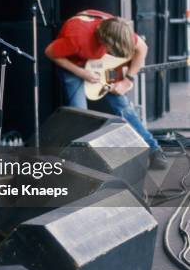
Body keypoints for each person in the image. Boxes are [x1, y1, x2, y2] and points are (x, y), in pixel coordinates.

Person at [45, 9, 167, 169]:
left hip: (98, 65)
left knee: (123, 107)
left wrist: (127, 80)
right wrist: (81, 73)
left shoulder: (119, 30)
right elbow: (50, 52)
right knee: (81, 114)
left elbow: (142, 48)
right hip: (74, 65)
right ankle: (83, 165)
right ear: (105, 43)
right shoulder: (76, 38)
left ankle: (154, 149)